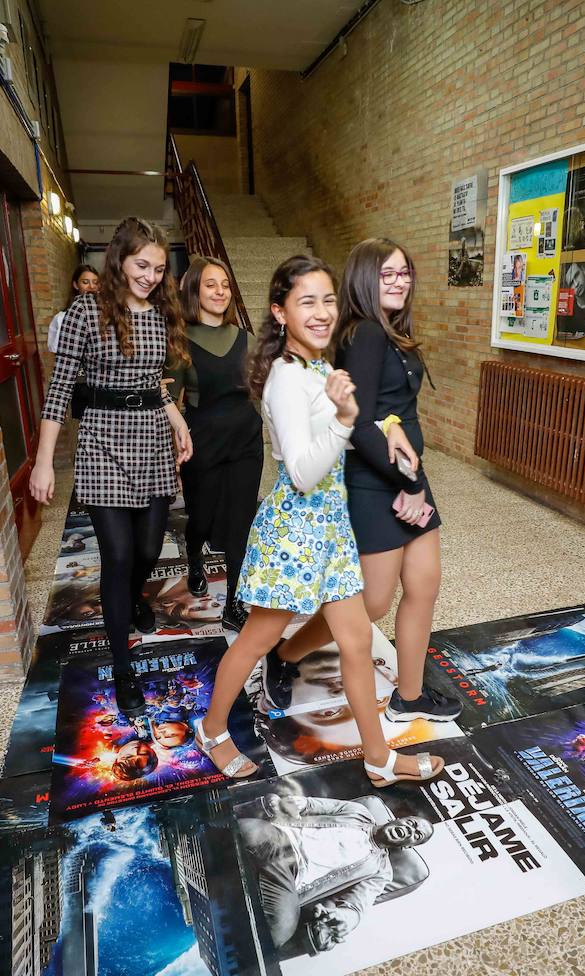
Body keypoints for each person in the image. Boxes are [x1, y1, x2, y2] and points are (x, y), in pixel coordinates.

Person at [192, 255, 444, 788]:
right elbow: (304, 473)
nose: (323, 311)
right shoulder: (286, 377)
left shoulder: (320, 369)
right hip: (297, 531)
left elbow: (360, 423)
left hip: (331, 530)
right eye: (307, 301)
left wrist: (387, 426)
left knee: (355, 645)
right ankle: (213, 730)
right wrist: (348, 422)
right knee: (257, 640)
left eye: (329, 299)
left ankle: (377, 759)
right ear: (280, 312)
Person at [260, 239, 459, 723]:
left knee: (424, 585)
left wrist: (410, 469)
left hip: (408, 475)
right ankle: (283, 656)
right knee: (370, 604)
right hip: (378, 483)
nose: (399, 282)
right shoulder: (367, 332)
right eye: (387, 274)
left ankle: (409, 695)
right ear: (365, 279)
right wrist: (405, 483)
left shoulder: (388, 330)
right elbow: (361, 421)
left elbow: (387, 414)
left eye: (405, 273)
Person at [30, 217, 194, 737]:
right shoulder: (88, 308)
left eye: (159, 268)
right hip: (101, 439)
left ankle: (137, 595)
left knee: (147, 551)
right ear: (120, 259)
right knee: (117, 555)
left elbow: (152, 381)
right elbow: (60, 389)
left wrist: (177, 419)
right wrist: (41, 459)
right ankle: (124, 671)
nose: (149, 275)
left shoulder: (160, 311)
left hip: (149, 435)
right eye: (141, 264)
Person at [176, 256, 262, 633]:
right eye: (211, 284)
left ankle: (233, 602)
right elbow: (168, 398)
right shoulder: (178, 341)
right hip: (202, 444)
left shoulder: (247, 338)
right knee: (202, 519)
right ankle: (194, 556)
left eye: (225, 284)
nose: (220, 291)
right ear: (195, 290)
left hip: (245, 440)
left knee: (241, 522)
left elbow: (265, 389)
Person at [239, 792, 434, 951]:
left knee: (281, 929)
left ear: (408, 846)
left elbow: (356, 907)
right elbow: (310, 804)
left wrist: (345, 920)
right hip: (279, 840)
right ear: (398, 819)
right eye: (411, 823)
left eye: (416, 835)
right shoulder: (358, 812)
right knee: (254, 833)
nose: (410, 830)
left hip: (289, 879)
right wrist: (296, 803)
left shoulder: (380, 872)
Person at [47, 263, 100, 352]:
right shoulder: (62, 318)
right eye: (85, 282)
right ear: (75, 285)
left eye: (95, 282)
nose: (92, 286)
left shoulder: (108, 315)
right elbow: (58, 354)